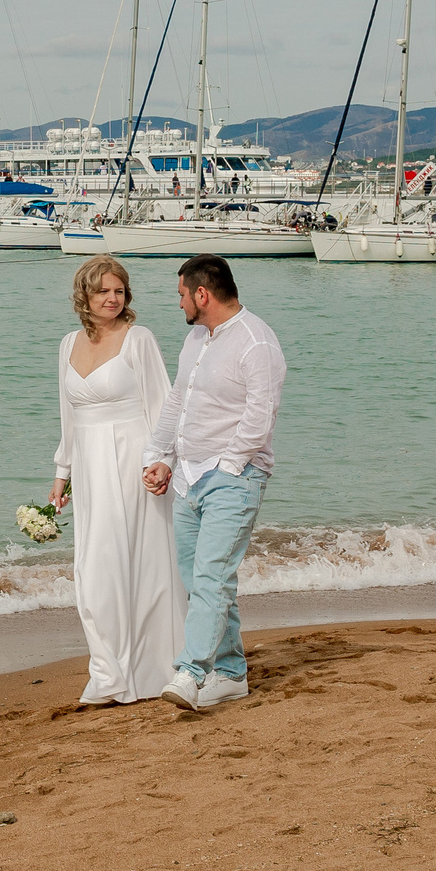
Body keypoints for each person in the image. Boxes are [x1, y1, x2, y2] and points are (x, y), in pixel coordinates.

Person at [142, 254, 286, 711]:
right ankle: (230, 672)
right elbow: (178, 402)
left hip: (234, 478)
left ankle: (190, 671)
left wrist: (227, 469)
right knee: (200, 579)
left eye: (181, 294)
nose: (179, 303)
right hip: (187, 477)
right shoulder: (196, 340)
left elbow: (260, 417)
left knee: (211, 576)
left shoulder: (256, 343)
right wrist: (162, 457)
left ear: (202, 294)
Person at [49, 256, 183, 704]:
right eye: (103, 291)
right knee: (95, 565)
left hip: (134, 461)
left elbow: (164, 405)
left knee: (141, 561)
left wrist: (162, 461)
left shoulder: (138, 338)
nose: (112, 299)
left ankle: (153, 667)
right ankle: (107, 671)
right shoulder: (68, 343)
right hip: (89, 465)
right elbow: (69, 416)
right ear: (84, 295)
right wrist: (62, 472)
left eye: (119, 291)